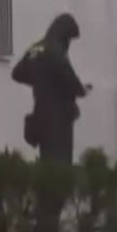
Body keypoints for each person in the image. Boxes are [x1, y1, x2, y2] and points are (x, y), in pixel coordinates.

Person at [12, 13, 89, 163]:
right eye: (69, 39)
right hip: (59, 117)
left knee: (46, 163)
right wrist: (81, 90)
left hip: (40, 113)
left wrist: (39, 81)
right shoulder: (55, 49)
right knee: (60, 164)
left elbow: (17, 73)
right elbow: (67, 75)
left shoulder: (36, 48)